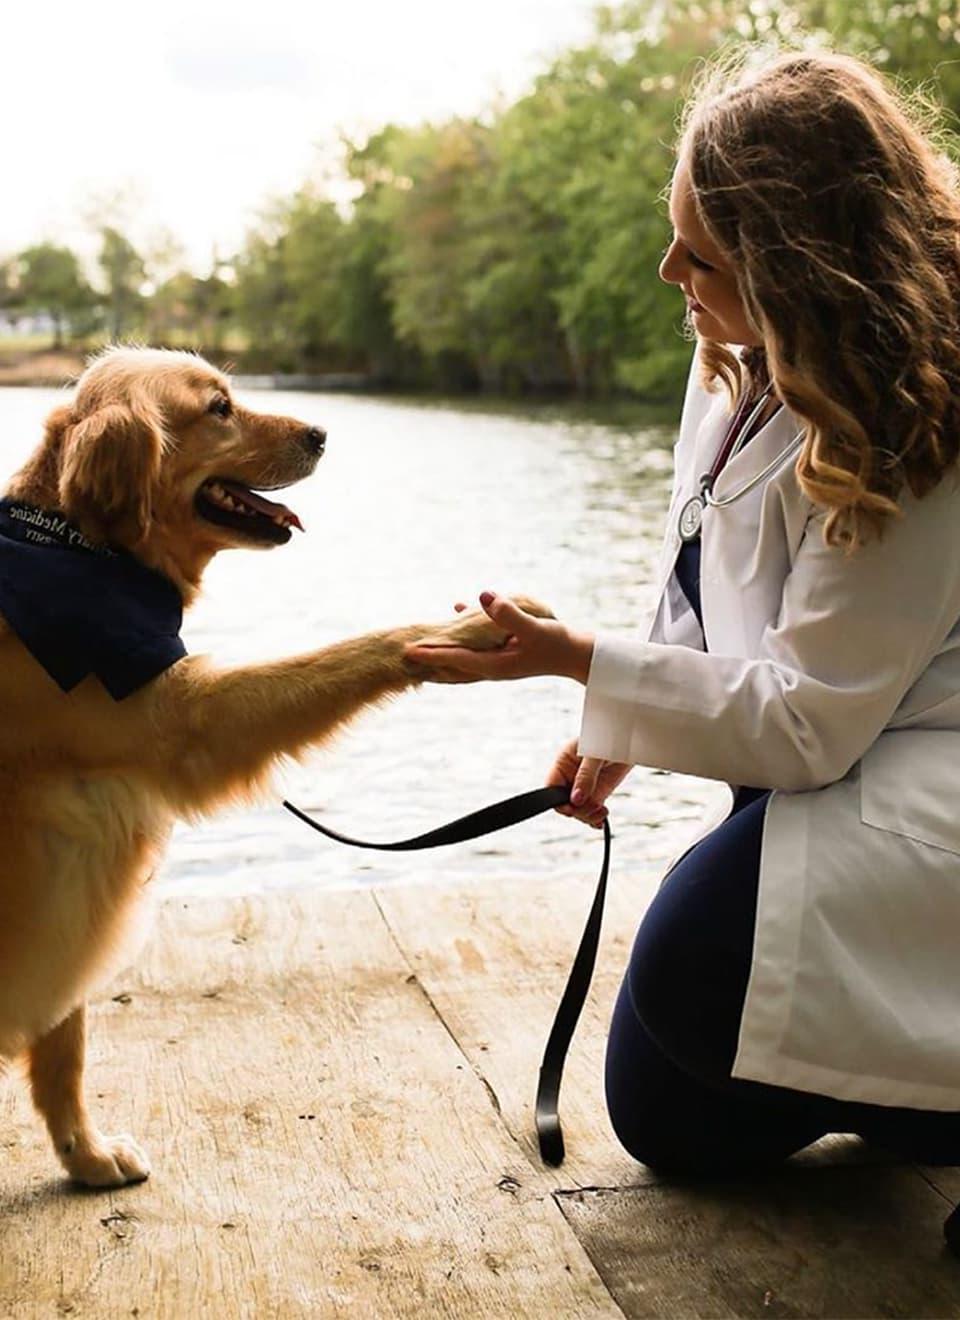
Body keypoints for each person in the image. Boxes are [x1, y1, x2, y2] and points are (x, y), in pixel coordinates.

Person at [405, 46, 960, 1173]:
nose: (669, 270)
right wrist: (612, 725)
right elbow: (701, 583)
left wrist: (577, 661)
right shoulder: (735, 359)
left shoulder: (915, 422)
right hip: (817, 768)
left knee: (693, 974)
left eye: (700, 253)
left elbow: (808, 726)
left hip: (911, 785)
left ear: (802, 271)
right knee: (669, 1122)